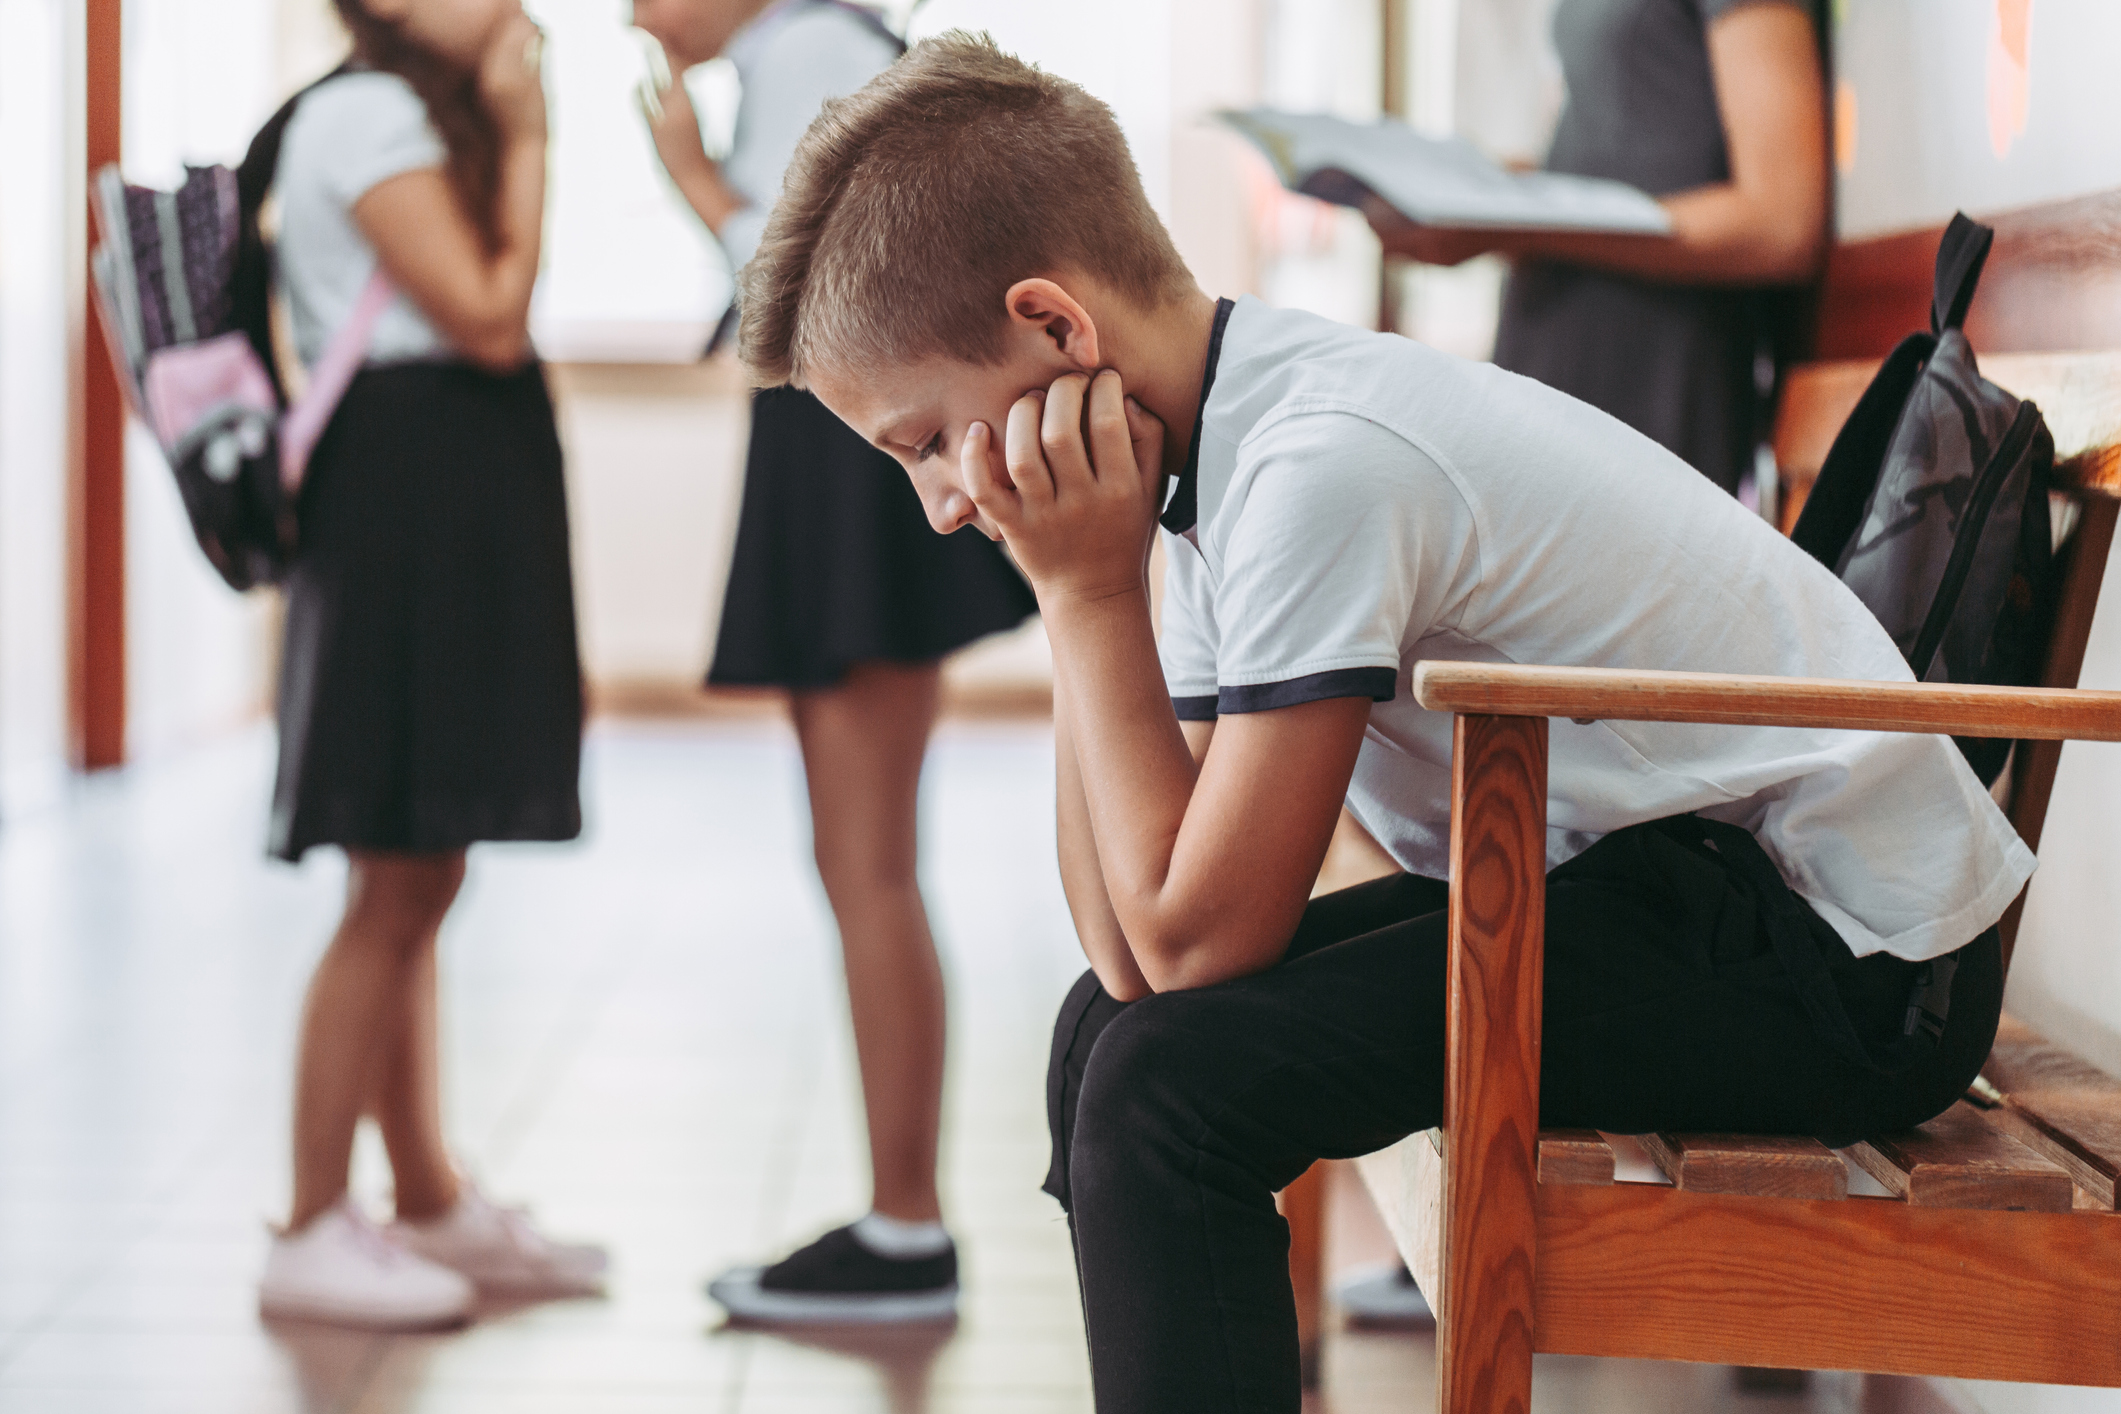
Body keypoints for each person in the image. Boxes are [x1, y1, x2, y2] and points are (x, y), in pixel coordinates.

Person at [734, 34, 2034, 1411]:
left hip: (1844, 957)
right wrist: (1081, 590)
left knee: (1167, 1100)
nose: (942, 500)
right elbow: (1128, 949)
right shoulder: (1218, 447)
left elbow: (1195, 939)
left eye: (927, 440)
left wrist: (1083, 595)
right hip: (1667, 889)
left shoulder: (1317, 468)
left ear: (1057, 329)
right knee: (1100, 1042)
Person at [627, 0, 1036, 1323]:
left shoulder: (807, 54)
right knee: (862, 858)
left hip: (843, 471)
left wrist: (693, 179)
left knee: (866, 859)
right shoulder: (804, 53)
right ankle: (900, 1214)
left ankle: (907, 1226)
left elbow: (814, 285)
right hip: (834, 462)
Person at [257, 0, 606, 1331]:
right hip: (406, 497)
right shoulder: (369, 114)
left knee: (418, 859)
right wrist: (530, 134)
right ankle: (304, 1221)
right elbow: (488, 311)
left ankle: (425, 1193)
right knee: (391, 870)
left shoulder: (401, 110)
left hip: (432, 491)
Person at [1365, 0, 1831, 496]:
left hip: (1653, 376)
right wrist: (1478, 193)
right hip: (1558, 368)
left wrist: (1523, 223)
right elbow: (1618, 154)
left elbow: (1783, 223)